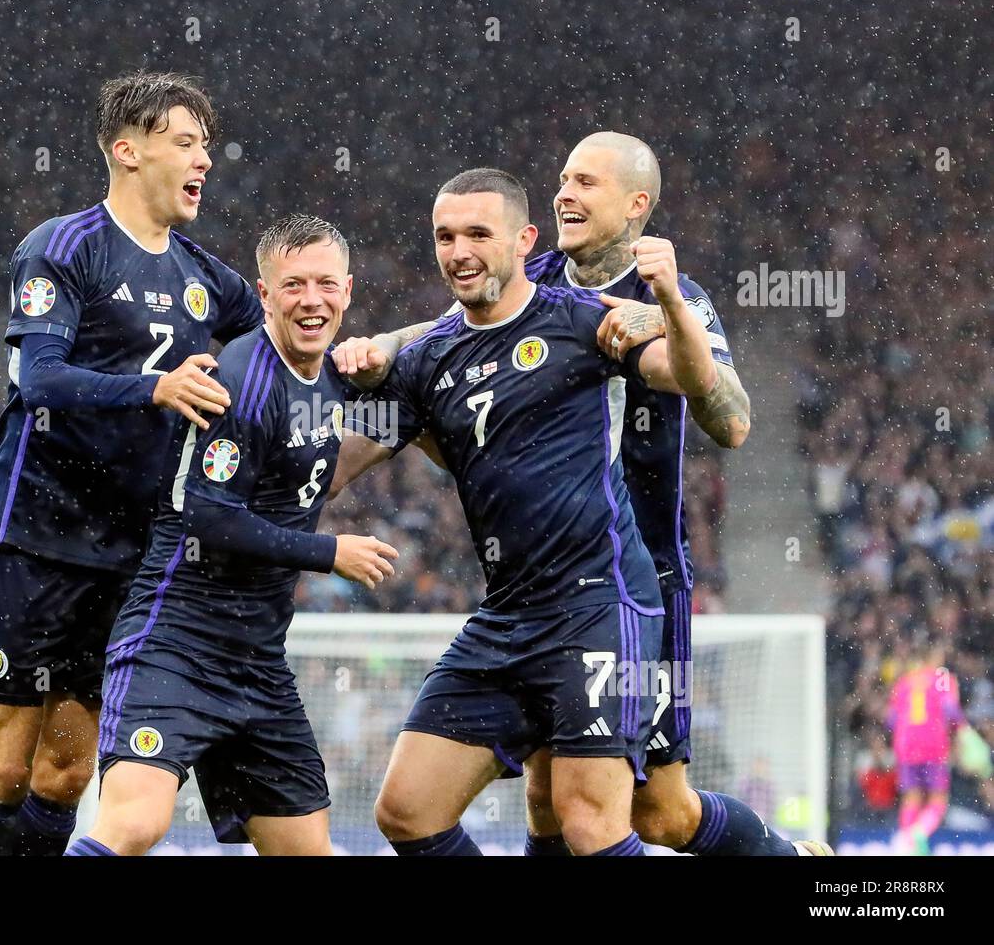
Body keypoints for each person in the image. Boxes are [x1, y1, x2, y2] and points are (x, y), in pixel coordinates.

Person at [334, 168, 719, 855]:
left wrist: (668, 298)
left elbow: (691, 378)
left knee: (592, 822)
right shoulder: (429, 360)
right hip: (507, 616)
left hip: (600, 603)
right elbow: (333, 468)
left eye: (479, 233)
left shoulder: (582, 324)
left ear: (523, 240)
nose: (460, 251)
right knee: (406, 809)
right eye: (445, 237)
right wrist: (290, 380)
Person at [0, 71, 264, 856]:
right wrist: (154, 387)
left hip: (129, 556)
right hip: (35, 539)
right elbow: (40, 378)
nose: (204, 161)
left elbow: (280, 347)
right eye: (186, 143)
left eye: (207, 147)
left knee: (66, 770)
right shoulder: (64, 246)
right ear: (127, 151)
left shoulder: (206, 278)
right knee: (5, 770)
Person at [519, 132, 824, 855]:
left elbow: (736, 422)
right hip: (540, 577)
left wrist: (671, 316)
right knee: (545, 791)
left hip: (642, 580)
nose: (564, 192)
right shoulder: (525, 281)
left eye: (585, 182)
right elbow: (445, 337)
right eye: (562, 177)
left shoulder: (677, 296)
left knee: (659, 814)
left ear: (636, 205)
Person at [67, 215, 397, 856]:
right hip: (178, 642)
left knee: (308, 851)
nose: (312, 299)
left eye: (326, 284)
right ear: (264, 293)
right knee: (134, 825)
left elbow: (325, 465)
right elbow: (210, 518)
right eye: (293, 284)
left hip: (257, 663)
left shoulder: (331, 375)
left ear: (349, 291)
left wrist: (385, 357)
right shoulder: (242, 379)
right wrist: (333, 552)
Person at [887, 646, 968, 854]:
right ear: (936, 656)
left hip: (905, 746)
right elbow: (950, 709)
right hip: (933, 745)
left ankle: (906, 842)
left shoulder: (904, 682)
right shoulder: (942, 678)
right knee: (938, 798)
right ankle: (920, 831)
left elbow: (891, 720)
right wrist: (962, 730)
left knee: (911, 797)